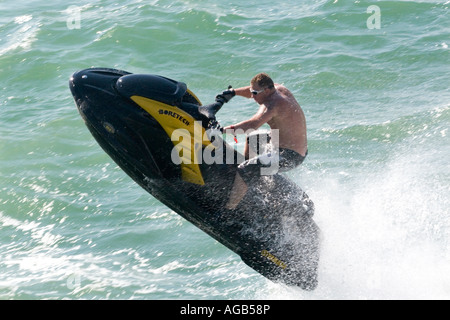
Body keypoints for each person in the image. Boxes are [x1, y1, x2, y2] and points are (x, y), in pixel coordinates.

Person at [220, 73, 308, 209]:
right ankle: (249, 180)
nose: (252, 96)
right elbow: (250, 92)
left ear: (267, 90)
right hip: (279, 141)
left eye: (255, 93)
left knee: (245, 169)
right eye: (252, 92)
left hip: (290, 155)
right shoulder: (277, 89)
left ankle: (230, 208)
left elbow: (252, 125)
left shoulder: (273, 105)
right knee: (252, 139)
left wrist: (221, 130)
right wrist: (233, 92)